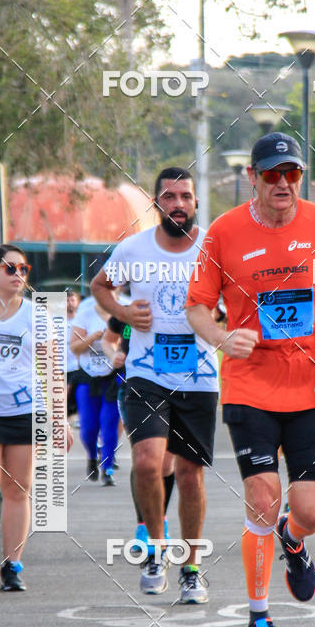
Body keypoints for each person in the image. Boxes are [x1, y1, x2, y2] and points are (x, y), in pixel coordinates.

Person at [186, 131, 315, 627]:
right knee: (263, 500)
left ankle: (294, 537)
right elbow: (196, 307)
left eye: (292, 173)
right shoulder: (224, 233)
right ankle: (258, 620)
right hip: (250, 386)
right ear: (253, 178)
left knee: (310, 511)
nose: (283, 182)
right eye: (272, 174)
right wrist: (222, 337)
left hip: (313, 386)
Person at [90, 166, 218, 603]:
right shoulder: (134, 248)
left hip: (199, 375)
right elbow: (100, 286)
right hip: (146, 373)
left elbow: (238, 296)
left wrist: (224, 323)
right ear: (156, 203)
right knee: (147, 463)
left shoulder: (212, 247)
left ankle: (191, 569)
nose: (178, 204)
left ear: (195, 202)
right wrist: (124, 313)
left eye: (185, 196)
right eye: (169, 196)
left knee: (189, 473)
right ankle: (155, 552)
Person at [0, 244, 72, 592]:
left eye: (23, 269)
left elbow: (53, 372)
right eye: (10, 268)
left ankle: (12, 565)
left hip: (26, 410)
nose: (18, 275)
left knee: (17, 489)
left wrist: (60, 419)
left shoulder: (37, 316)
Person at [101, 316, 175, 548]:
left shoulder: (173, 311)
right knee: (145, 457)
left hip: (173, 388)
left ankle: (161, 521)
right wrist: (114, 354)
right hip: (133, 390)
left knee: (166, 462)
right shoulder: (125, 313)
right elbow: (108, 339)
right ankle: (144, 527)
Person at [70, 292, 120, 486]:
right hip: (87, 377)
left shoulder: (122, 314)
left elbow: (130, 342)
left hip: (113, 377)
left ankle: (107, 469)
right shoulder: (85, 314)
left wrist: (116, 344)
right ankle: (92, 456)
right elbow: (75, 348)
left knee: (109, 424)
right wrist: (91, 338)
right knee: (89, 427)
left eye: (112, 292)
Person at [65, 287, 81, 420]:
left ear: (77, 302)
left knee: (70, 394)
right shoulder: (55, 321)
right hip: (60, 366)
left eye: (72, 300)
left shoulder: (81, 322)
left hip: (77, 366)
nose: (70, 303)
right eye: (67, 300)